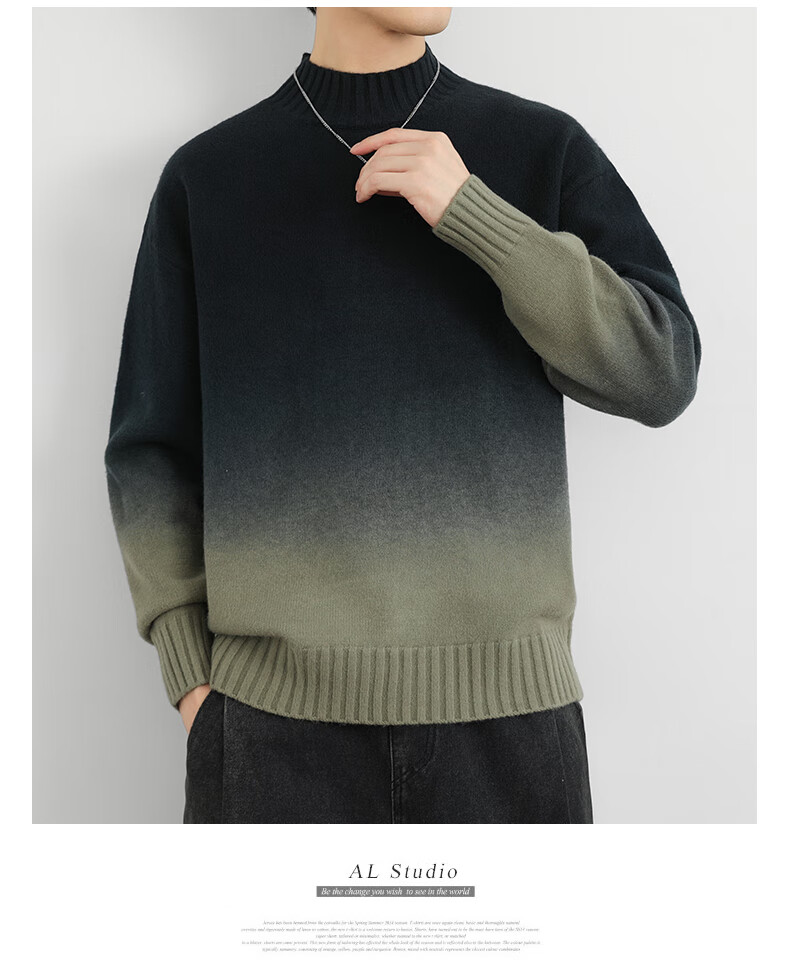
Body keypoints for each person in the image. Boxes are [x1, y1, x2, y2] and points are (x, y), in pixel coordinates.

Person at [104, 7, 701, 824]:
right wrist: (193, 684)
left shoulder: (541, 148)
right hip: (268, 736)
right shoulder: (208, 178)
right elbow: (150, 449)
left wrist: (476, 214)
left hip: (509, 730)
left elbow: (662, 372)